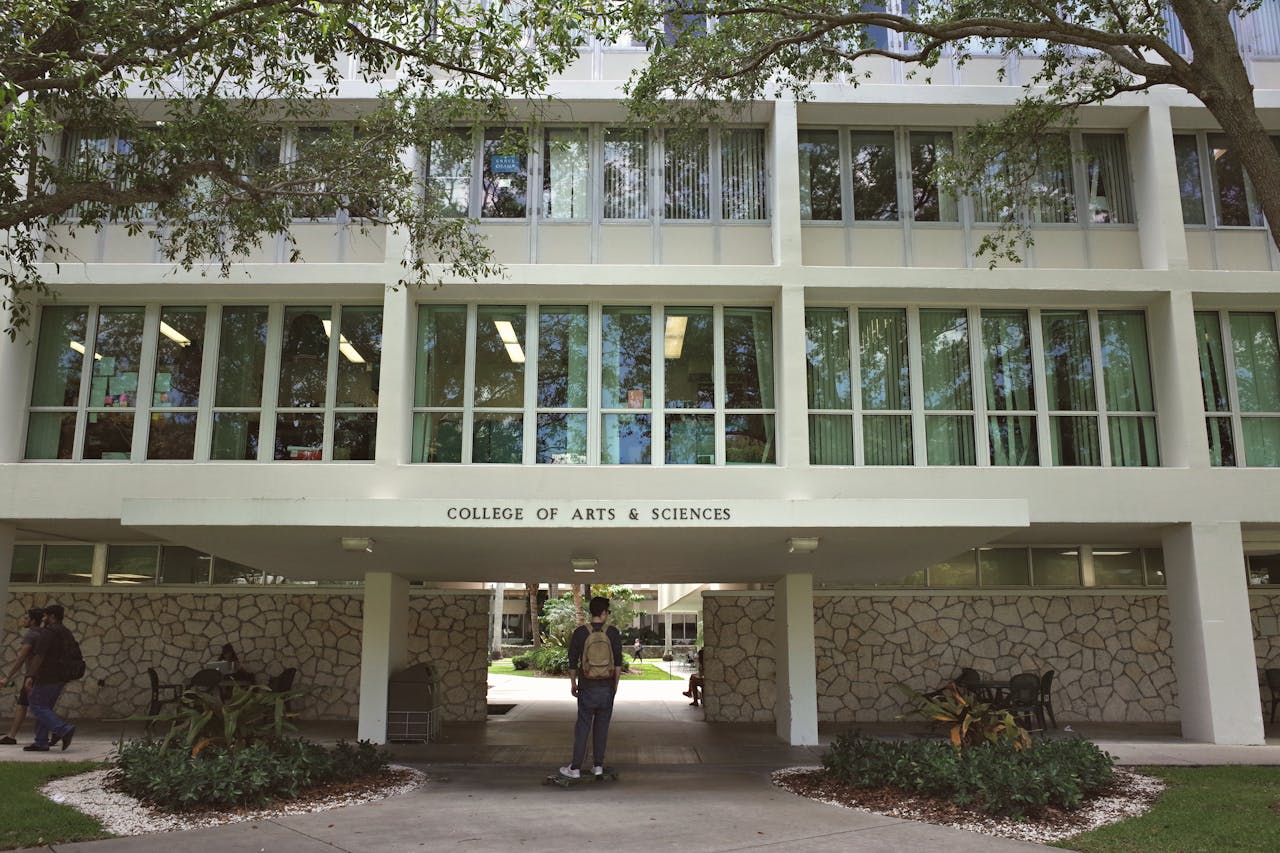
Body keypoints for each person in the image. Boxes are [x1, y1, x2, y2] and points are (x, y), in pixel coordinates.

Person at [560, 596, 622, 780]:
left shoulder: (580, 632)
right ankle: (598, 766)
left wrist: (573, 683)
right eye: (607, 612)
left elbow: (572, 661)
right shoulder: (612, 633)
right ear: (603, 613)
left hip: (587, 687)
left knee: (583, 727)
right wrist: (615, 685)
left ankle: (576, 767)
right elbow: (618, 662)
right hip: (607, 687)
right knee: (602, 728)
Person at [23, 604, 75, 752]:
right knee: (45, 707)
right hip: (61, 676)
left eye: (45, 616)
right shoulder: (66, 632)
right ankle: (41, 742)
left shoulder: (49, 632)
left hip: (47, 675)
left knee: (36, 705)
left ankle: (63, 729)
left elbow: (39, 656)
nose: (43, 619)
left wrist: (30, 676)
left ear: (52, 616)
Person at [0, 608, 45, 744]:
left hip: (32, 675)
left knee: (24, 704)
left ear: (32, 621)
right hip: (44, 675)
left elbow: (21, 658)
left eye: (26, 618)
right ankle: (55, 731)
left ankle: (12, 736)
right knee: (39, 706)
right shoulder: (44, 634)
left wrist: (8, 677)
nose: (23, 620)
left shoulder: (31, 635)